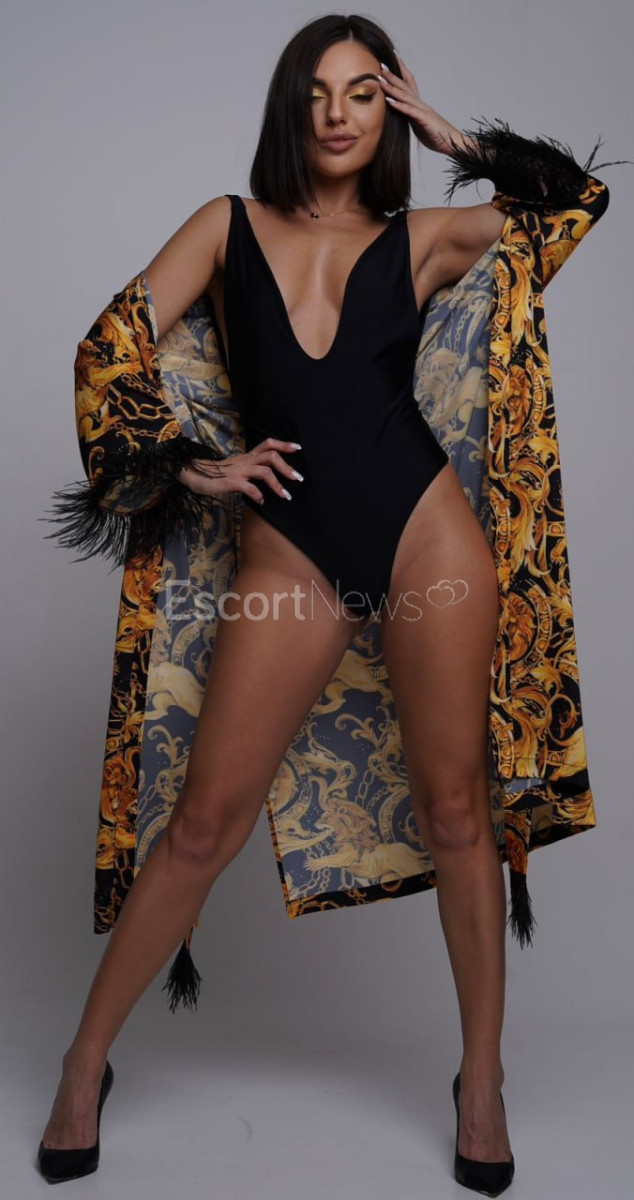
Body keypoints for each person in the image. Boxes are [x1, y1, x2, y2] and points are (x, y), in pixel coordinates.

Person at [38, 11, 616, 1193]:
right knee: (205, 823)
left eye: (362, 91)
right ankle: (85, 1063)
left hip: (424, 534)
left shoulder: (424, 238)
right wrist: (193, 465)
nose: (339, 113)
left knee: (456, 812)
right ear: (290, 111)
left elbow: (574, 205)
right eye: (317, 93)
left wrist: (453, 135)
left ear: (385, 107)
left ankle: (482, 1079)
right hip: (290, 551)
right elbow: (108, 349)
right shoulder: (225, 226)